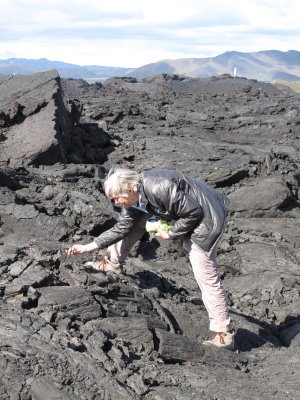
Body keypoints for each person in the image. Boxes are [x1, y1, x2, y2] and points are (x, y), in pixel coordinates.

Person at [66, 168, 234, 349]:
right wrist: (88, 246)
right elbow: (121, 228)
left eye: (116, 198)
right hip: (188, 212)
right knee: (136, 222)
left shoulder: (158, 188)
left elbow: (194, 212)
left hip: (208, 218)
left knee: (204, 272)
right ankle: (113, 263)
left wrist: (170, 232)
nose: (115, 202)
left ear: (130, 191)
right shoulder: (136, 197)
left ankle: (223, 333)